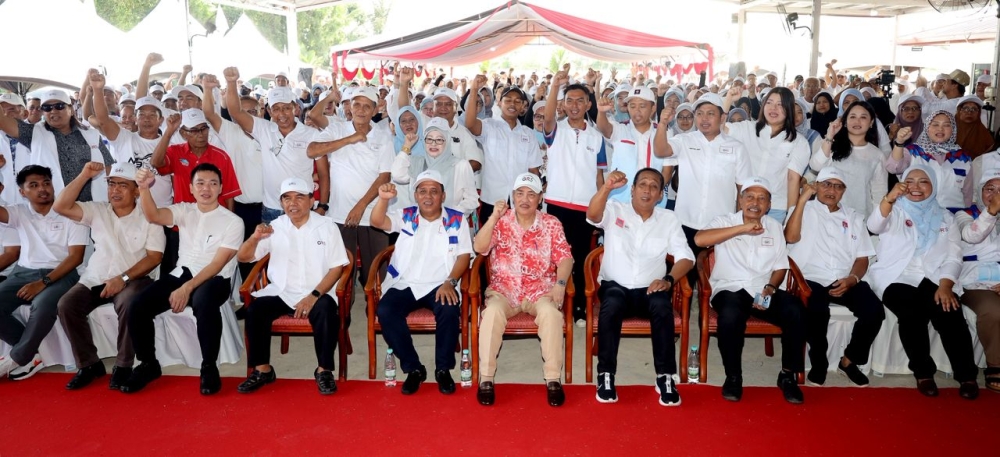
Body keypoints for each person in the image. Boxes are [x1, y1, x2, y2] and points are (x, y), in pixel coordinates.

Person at [122, 164, 244, 395]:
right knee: (137, 305)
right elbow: (153, 215)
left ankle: (208, 367)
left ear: (220, 189)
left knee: (203, 302)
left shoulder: (232, 221)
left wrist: (186, 288)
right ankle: (148, 363)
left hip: (216, 277)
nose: (206, 188)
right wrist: (143, 188)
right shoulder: (184, 210)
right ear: (191, 188)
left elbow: (217, 264)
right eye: (200, 183)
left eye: (212, 183)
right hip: (183, 271)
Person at [866, 164, 979, 399]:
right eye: (911, 181)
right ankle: (923, 372)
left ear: (934, 187)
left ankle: (966, 375)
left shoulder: (945, 216)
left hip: (934, 275)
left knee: (949, 310)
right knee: (911, 312)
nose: (916, 187)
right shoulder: (894, 210)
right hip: (896, 275)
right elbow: (874, 225)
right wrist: (889, 198)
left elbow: (954, 254)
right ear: (902, 185)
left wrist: (946, 285)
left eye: (924, 182)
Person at [586, 168, 694, 405]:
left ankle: (665, 376)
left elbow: (686, 257)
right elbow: (593, 216)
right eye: (642, 184)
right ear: (632, 190)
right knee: (611, 304)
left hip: (649, 289)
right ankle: (605, 375)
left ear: (660, 194)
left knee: (662, 306)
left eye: (654, 186)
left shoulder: (668, 219)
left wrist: (668, 280)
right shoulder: (615, 209)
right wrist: (606, 188)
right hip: (616, 286)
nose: (647, 190)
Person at [694, 176, 806, 404]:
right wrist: (742, 228)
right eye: (750, 197)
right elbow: (699, 240)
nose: (755, 202)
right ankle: (733, 376)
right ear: (741, 200)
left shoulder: (774, 227)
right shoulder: (725, 220)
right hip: (730, 288)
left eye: (762, 198)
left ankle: (787, 375)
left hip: (761, 290)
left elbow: (780, 266)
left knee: (795, 310)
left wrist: (770, 288)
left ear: (769, 205)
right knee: (731, 316)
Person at [53, 162, 164, 390]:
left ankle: (123, 365)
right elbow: (61, 206)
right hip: (97, 277)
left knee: (128, 302)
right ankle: (89, 365)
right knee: (67, 304)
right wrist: (84, 174)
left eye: (123, 185)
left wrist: (122, 279)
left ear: (136, 190)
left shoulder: (149, 216)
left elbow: (154, 258)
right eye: (111, 184)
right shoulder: (98, 210)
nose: (115, 190)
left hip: (135, 278)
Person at [236, 177, 349, 395]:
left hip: (317, 291)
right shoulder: (275, 227)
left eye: (299, 197)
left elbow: (337, 268)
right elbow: (243, 257)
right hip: (282, 291)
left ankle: (324, 370)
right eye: (287, 198)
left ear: (312, 201)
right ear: (281, 203)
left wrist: (314, 295)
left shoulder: (327, 226)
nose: (293, 203)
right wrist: (255, 237)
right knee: (255, 310)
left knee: (326, 310)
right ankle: (262, 370)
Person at [473, 172, 573, 407]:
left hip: (540, 290)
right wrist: (493, 218)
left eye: (531, 194)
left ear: (540, 198)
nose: (525, 199)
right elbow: (479, 246)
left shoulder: (551, 223)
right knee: (492, 314)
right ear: (513, 196)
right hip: (504, 289)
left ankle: (553, 379)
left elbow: (565, 258)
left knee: (551, 315)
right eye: (519, 194)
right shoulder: (502, 220)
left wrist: (560, 284)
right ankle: (486, 379)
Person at [369, 171, 472, 395]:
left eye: (434, 191)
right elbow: (377, 221)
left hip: (440, 283)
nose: (428, 196)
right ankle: (414, 368)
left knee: (448, 308)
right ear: (415, 195)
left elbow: (464, 255)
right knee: (386, 310)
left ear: (443, 196)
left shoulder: (456, 219)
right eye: (423, 191)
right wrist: (384, 199)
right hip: (405, 283)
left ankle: (443, 369)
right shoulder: (406, 215)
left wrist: (450, 282)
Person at [784, 167, 883, 387]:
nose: (832, 190)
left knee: (874, 311)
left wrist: (853, 279)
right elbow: (790, 237)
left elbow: (862, 258)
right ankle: (819, 364)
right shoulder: (802, 209)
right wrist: (801, 201)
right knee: (817, 310)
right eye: (826, 184)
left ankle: (849, 361)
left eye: (838, 186)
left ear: (844, 191)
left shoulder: (854, 217)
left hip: (844, 278)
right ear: (816, 186)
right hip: (810, 277)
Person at [0, 166, 88, 380]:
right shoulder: (19, 212)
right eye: (34, 185)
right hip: (23, 272)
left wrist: (43, 282)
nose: (43, 189)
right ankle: (29, 354)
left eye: (46, 183)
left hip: (62, 272)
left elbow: (75, 257)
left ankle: (17, 358)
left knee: (43, 306)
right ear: (22, 192)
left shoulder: (71, 212)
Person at [308, 87, 393, 286]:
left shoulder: (383, 137)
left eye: (367, 106)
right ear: (349, 107)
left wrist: (361, 206)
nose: (361, 110)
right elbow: (312, 150)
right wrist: (349, 139)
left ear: (374, 110)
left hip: (372, 215)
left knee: (375, 274)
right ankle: (342, 316)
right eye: (356, 105)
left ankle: (376, 314)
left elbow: (384, 176)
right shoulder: (337, 129)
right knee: (342, 273)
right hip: (339, 214)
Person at [222, 68, 329, 224]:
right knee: (272, 249)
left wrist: (323, 205)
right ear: (269, 112)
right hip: (271, 208)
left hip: (302, 207)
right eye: (276, 109)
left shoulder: (312, 134)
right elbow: (236, 112)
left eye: (286, 108)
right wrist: (231, 83)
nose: (282, 114)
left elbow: (323, 173)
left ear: (295, 108)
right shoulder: (264, 129)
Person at [542, 71, 607, 325]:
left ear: (588, 104)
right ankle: (551, 304)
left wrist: (599, 208)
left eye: (580, 101)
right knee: (554, 257)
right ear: (563, 103)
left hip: (584, 207)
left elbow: (599, 177)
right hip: (556, 204)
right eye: (569, 100)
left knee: (580, 258)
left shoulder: (597, 137)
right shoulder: (556, 130)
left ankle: (579, 307)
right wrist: (554, 87)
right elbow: (547, 117)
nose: (575, 106)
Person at [657, 93, 753, 255]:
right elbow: (660, 150)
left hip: (720, 227)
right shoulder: (684, 140)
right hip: (684, 222)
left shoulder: (737, 148)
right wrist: (662, 124)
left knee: (712, 275)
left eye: (710, 113)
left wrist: (738, 226)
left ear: (723, 118)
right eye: (699, 113)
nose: (704, 119)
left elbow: (743, 191)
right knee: (683, 274)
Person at [0, 89, 114, 201]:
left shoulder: (91, 135)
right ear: (44, 112)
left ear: (71, 109)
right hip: (53, 211)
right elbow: (2, 120)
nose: (53, 111)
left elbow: (108, 167)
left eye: (59, 106)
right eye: (47, 108)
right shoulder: (33, 133)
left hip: (91, 209)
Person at [724, 87, 810, 222]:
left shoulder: (799, 142)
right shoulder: (747, 128)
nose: (773, 108)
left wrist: (790, 218)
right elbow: (718, 128)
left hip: (775, 209)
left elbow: (793, 180)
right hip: (743, 205)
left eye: (780, 104)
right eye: (769, 102)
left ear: (789, 109)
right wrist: (728, 99)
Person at [465, 75, 541, 219]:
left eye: (518, 101)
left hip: (520, 204)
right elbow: (469, 124)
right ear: (499, 103)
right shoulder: (488, 126)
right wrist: (474, 89)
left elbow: (533, 170)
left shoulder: (528, 134)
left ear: (523, 106)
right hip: (492, 201)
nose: (513, 104)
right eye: (508, 100)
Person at [956, 168, 1000, 393]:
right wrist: (992, 211)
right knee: (993, 311)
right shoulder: (964, 215)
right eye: (989, 189)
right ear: (979, 192)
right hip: (975, 283)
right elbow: (972, 235)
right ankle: (995, 364)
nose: (995, 194)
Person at [811, 101, 887, 219]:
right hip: (826, 214)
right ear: (845, 122)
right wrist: (830, 136)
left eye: (863, 117)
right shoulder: (831, 145)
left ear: (871, 122)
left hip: (859, 217)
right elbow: (815, 166)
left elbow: (879, 193)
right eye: (852, 117)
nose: (857, 121)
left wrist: (876, 221)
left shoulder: (877, 155)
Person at [595, 86, 669, 204]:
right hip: (620, 200)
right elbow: (604, 128)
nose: (637, 111)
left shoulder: (664, 133)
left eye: (642, 106)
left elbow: (667, 170)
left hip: (652, 203)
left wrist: (653, 193)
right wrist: (601, 112)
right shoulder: (620, 129)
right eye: (632, 106)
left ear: (653, 108)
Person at [886, 110, 972, 211]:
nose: (940, 129)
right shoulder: (913, 151)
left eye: (946, 125)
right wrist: (899, 142)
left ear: (953, 129)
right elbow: (893, 168)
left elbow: (968, 193)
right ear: (927, 128)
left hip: (954, 215)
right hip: (917, 213)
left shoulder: (963, 157)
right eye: (935, 124)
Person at [392, 117, 478, 216]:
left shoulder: (460, 165)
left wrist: (450, 216)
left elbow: (472, 199)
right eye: (429, 139)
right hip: (419, 225)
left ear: (447, 142)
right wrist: (407, 146)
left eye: (439, 140)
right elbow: (397, 175)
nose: (433, 144)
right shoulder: (417, 162)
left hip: (448, 226)